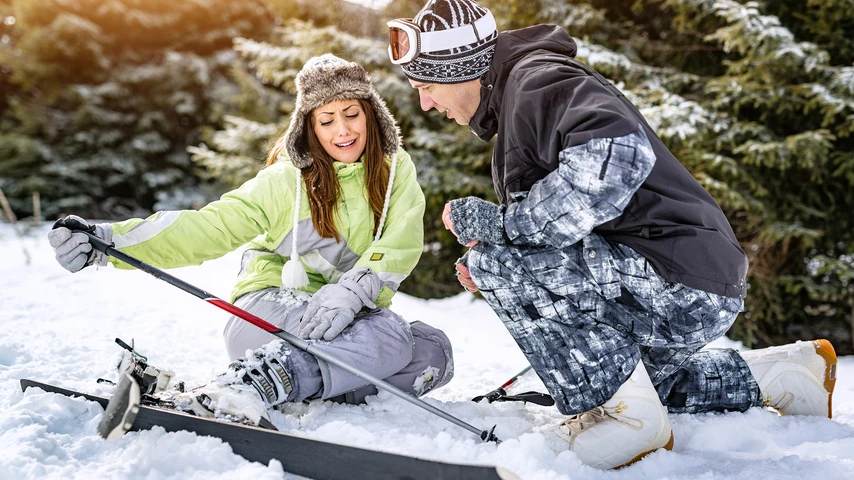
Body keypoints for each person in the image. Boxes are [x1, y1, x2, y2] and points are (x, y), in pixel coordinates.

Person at [387, 0, 838, 469]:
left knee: (500, 266)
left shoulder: (537, 81)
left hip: (675, 276)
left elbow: (617, 156)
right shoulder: (521, 93)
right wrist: (515, 256)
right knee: (630, 377)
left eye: (427, 86)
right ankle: (786, 375)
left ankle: (623, 421)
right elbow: (568, 224)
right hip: (692, 277)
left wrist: (504, 235)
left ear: (461, 69)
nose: (425, 103)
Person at [47, 54, 454, 424]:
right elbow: (208, 227)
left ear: (372, 115)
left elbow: (399, 243)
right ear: (310, 127)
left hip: (349, 322)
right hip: (270, 316)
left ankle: (283, 388)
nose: (343, 130)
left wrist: (352, 292)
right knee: (389, 335)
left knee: (433, 352)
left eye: (351, 114)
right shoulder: (286, 181)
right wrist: (110, 241)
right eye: (327, 120)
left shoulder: (394, 170)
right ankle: (256, 383)